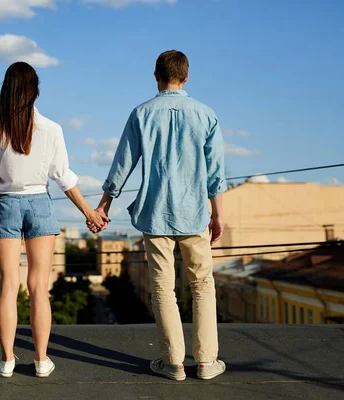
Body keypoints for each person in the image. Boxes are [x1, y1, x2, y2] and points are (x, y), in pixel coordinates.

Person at [91, 50, 227, 381]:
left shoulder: (141, 114)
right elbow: (216, 171)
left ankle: (174, 363)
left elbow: (123, 163)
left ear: (156, 76)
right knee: (202, 284)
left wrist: (104, 205)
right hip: (194, 213)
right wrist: (218, 214)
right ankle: (207, 362)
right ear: (186, 77)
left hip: (156, 214)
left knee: (162, 287)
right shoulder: (206, 114)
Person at [0, 61, 108, 378]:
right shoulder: (51, 129)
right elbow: (63, 178)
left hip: (5, 204)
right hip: (39, 203)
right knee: (39, 287)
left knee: (8, 286)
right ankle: (40, 360)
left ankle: (7, 360)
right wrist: (89, 213)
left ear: (6, 89)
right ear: (35, 91)